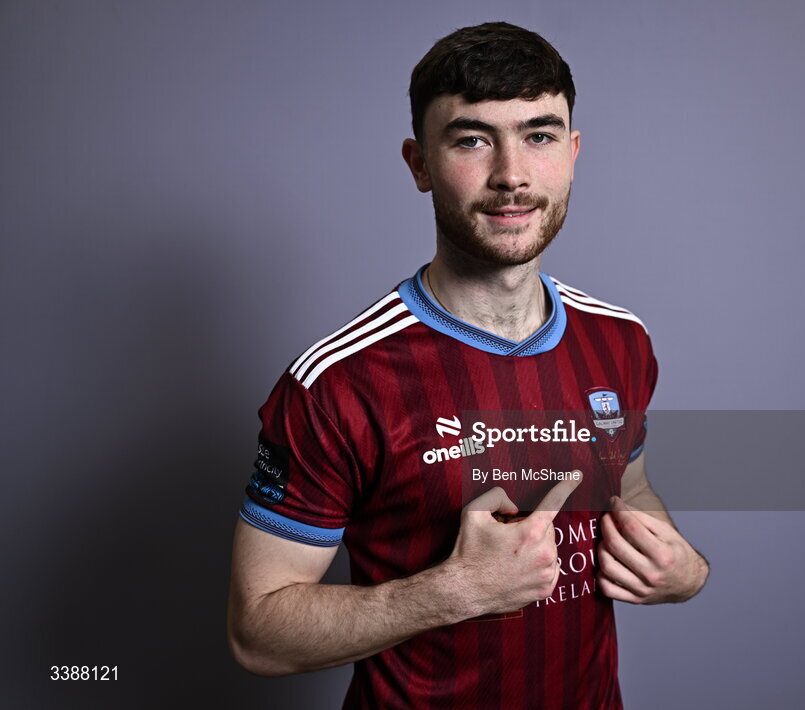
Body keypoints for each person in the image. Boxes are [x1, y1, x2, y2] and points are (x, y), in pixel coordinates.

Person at [227, 21, 709, 709]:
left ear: (572, 153)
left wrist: (681, 567)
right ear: (419, 163)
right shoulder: (337, 384)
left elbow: (628, 493)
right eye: (472, 139)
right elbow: (257, 633)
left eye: (539, 135)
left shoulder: (620, 341)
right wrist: (455, 591)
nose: (512, 173)